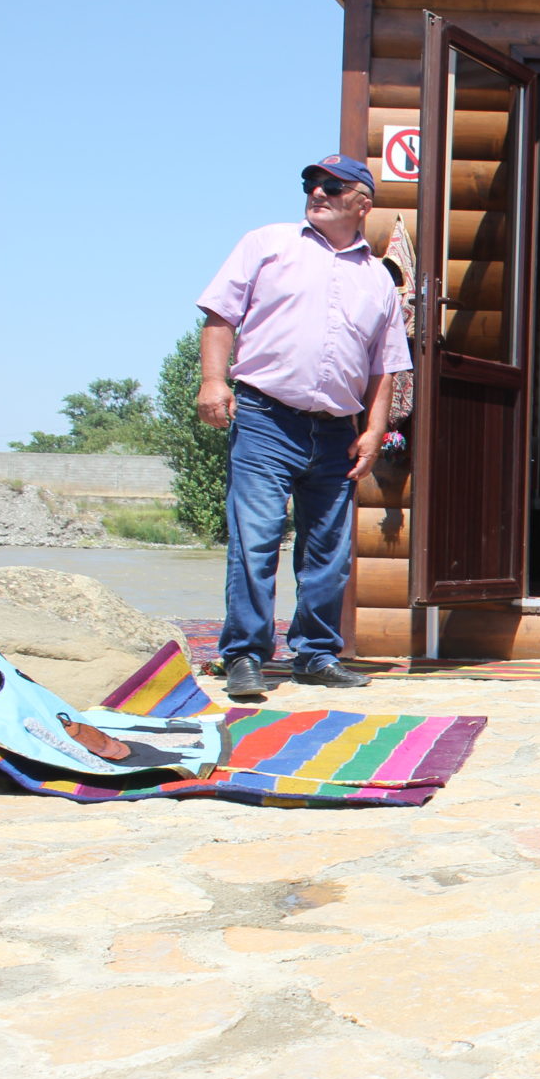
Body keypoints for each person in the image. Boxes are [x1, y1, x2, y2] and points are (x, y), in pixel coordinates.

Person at [197, 155, 407, 698]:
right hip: (266, 417)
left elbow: (385, 367)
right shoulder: (267, 243)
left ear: (363, 201)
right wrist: (213, 382)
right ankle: (245, 656)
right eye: (311, 183)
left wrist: (375, 430)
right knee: (257, 541)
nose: (317, 191)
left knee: (328, 553)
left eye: (332, 186)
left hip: (338, 430)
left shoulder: (378, 280)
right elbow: (220, 316)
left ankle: (314, 655)